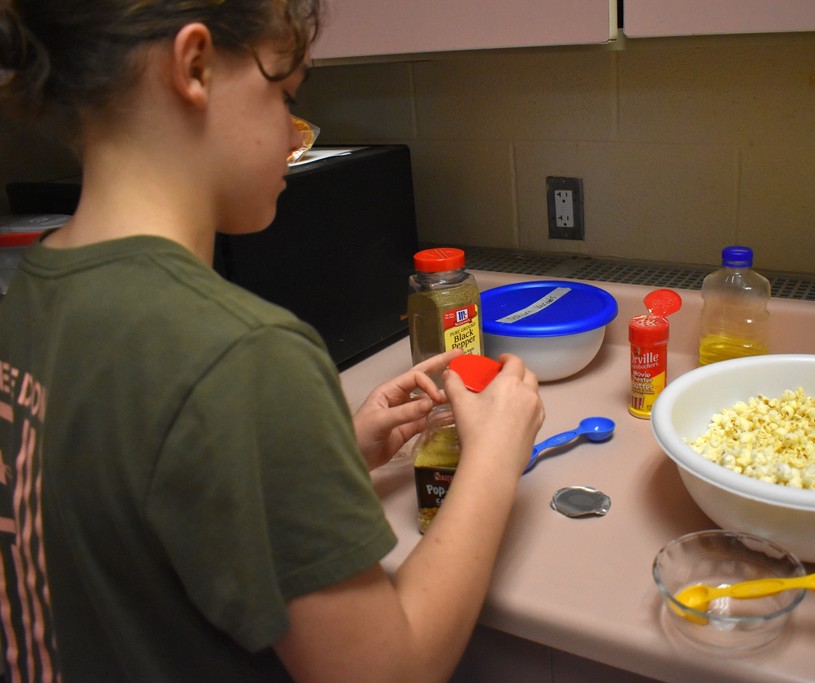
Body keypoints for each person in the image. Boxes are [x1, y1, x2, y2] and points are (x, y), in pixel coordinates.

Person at [0, 1, 545, 681]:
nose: (295, 134)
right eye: (284, 94)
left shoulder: (32, 290)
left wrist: (328, 452)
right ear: (194, 66)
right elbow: (389, 670)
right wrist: (495, 455)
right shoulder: (246, 355)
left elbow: (132, 505)